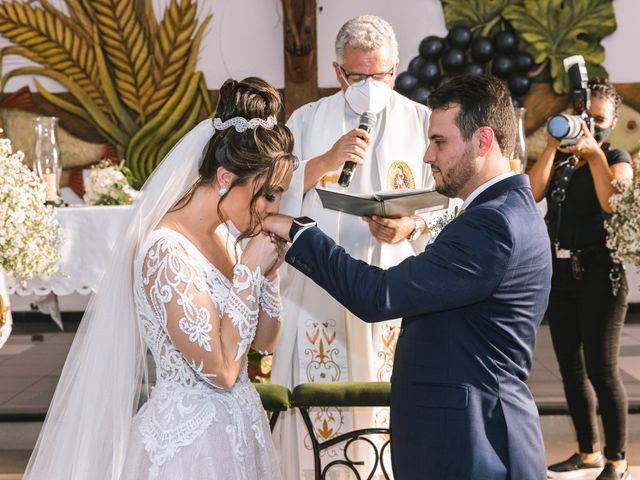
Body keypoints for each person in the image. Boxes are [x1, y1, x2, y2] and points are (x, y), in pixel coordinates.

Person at [264, 74, 552, 479]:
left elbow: (378, 295)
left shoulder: (492, 225)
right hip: (471, 432)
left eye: (440, 141)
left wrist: (298, 233)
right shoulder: (508, 210)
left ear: (483, 141)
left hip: (470, 444)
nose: (427, 156)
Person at [23, 78, 297, 480]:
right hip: (191, 448)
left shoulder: (228, 234)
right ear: (224, 178)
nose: (273, 208)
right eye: (267, 193)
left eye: (280, 196)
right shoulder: (165, 250)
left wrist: (268, 277)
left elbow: (264, 342)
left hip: (241, 430)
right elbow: (221, 371)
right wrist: (249, 272)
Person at [275, 15, 440, 477]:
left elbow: (453, 205)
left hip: (394, 281)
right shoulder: (306, 120)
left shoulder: (423, 121)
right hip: (318, 290)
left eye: (380, 75)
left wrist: (411, 226)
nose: (370, 85)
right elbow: (271, 194)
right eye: (358, 76)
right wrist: (325, 161)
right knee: (322, 404)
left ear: (397, 69)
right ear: (337, 71)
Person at [527, 78, 633, 480]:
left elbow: (613, 201)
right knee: (571, 369)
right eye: (584, 116)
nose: (590, 124)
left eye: (599, 119)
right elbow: (532, 192)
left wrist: (594, 156)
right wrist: (554, 146)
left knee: (603, 370)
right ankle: (588, 451)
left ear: (613, 122)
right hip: (561, 276)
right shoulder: (562, 162)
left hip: (601, 277)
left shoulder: (616, 156)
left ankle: (616, 458)